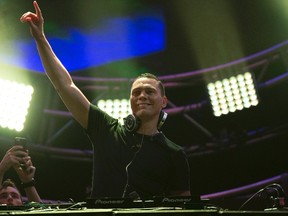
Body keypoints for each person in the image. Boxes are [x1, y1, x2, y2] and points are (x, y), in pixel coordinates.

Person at [20, 1, 191, 199]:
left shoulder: (174, 153)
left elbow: (183, 205)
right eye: (136, 93)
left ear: (163, 101)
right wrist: (40, 38)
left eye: (149, 92)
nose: (142, 96)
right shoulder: (106, 130)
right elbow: (65, 85)